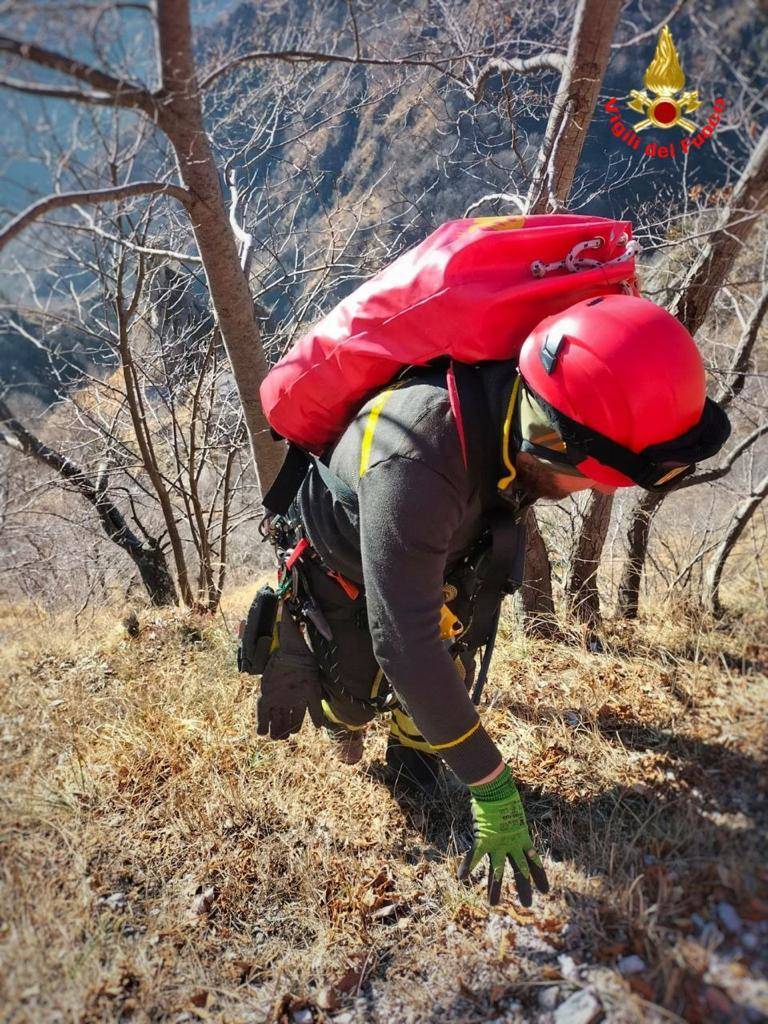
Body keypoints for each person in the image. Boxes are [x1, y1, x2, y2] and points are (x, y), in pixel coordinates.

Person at [255, 294, 731, 907]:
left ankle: (414, 757)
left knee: (447, 663)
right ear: (552, 442)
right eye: (593, 478)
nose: (597, 492)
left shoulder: (528, 404)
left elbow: (427, 647)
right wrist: (491, 782)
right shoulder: (417, 458)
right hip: (342, 559)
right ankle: (329, 694)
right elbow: (404, 646)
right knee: (352, 698)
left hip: (451, 543)